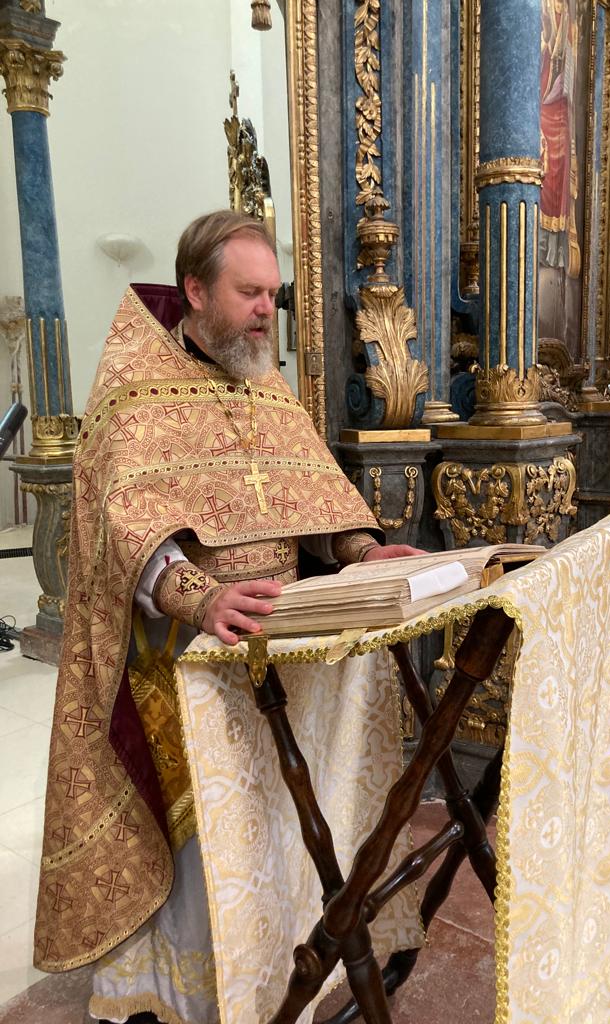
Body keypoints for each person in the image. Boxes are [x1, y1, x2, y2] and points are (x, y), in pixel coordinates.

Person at [33, 211, 423, 1023]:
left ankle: (280, 963)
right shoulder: (134, 389)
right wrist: (199, 596)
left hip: (281, 646)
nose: (264, 310)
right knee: (211, 839)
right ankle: (201, 997)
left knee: (278, 817)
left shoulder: (266, 383)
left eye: (272, 294)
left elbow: (304, 492)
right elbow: (122, 526)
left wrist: (357, 548)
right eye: (249, 292)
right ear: (195, 290)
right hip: (183, 655)